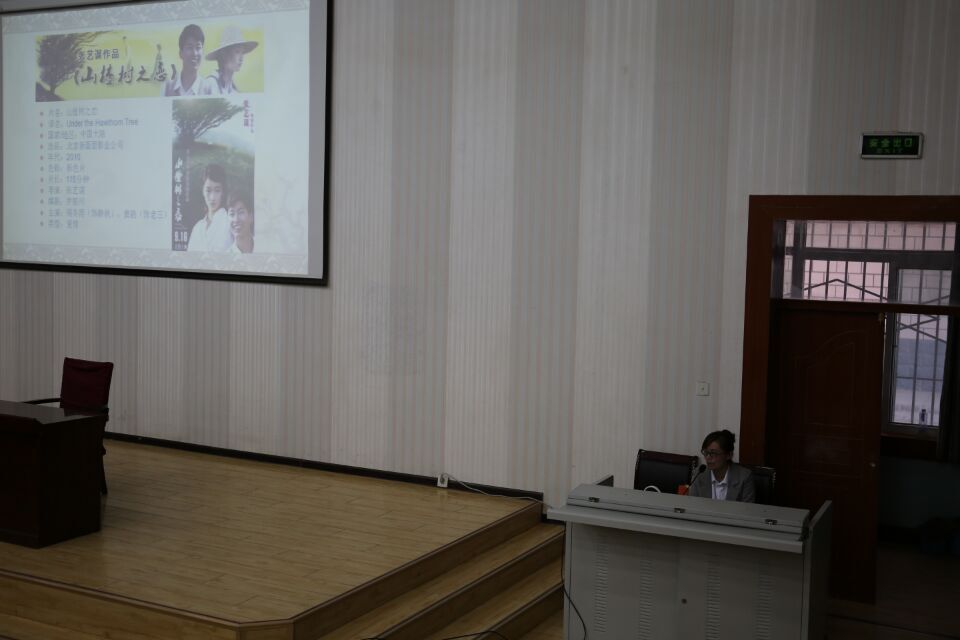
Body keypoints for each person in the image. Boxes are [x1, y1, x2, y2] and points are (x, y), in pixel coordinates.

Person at [687, 429, 755, 502]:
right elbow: (692, 504)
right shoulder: (699, 474)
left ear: (729, 455)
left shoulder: (744, 477)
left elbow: (747, 508)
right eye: (706, 452)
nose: (708, 457)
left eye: (713, 453)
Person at [187, 164, 233, 252]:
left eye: (217, 190)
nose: (212, 197)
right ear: (203, 191)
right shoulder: (198, 227)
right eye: (208, 190)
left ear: (223, 192)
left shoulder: (229, 222)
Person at [201, 26, 258, 95]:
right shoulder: (210, 84)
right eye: (237, 52)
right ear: (224, 54)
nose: (241, 58)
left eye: (242, 53)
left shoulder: (235, 92)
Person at [163, 24, 211, 96]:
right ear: (180, 53)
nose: (195, 53)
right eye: (189, 47)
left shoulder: (208, 89)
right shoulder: (168, 86)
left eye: (198, 47)